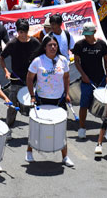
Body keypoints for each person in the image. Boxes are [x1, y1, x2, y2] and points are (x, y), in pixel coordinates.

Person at [25, 35, 74, 167]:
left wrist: (67, 93)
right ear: (44, 47)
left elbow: (67, 77)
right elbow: (29, 78)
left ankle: (65, 157)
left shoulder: (63, 60)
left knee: (62, 129)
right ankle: (29, 151)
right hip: (42, 98)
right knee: (37, 127)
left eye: (55, 45)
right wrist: (32, 95)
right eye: (50, 45)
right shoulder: (38, 61)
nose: (53, 47)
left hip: (59, 99)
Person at [1, 19, 41, 129]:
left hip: (32, 80)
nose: (23, 35)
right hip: (16, 79)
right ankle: (8, 128)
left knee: (34, 105)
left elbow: (41, 56)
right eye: (20, 32)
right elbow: (1, 57)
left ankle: (35, 130)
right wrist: (6, 71)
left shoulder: (34, 42)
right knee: (12, 106)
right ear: (17, 31)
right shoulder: (12, 43)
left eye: (25, 32)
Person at [73, 22, 107, 140]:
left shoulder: (101, 44)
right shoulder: (79, 45)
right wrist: (83, 75)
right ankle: (82, 128)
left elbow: (106, 60)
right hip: (86, 80)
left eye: (89, 34)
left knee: (106, 105)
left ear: (94, 32)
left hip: (101, 79)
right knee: (84, 104)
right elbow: (76, 62)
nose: (87, 37)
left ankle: (106, 128)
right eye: (85, 35)